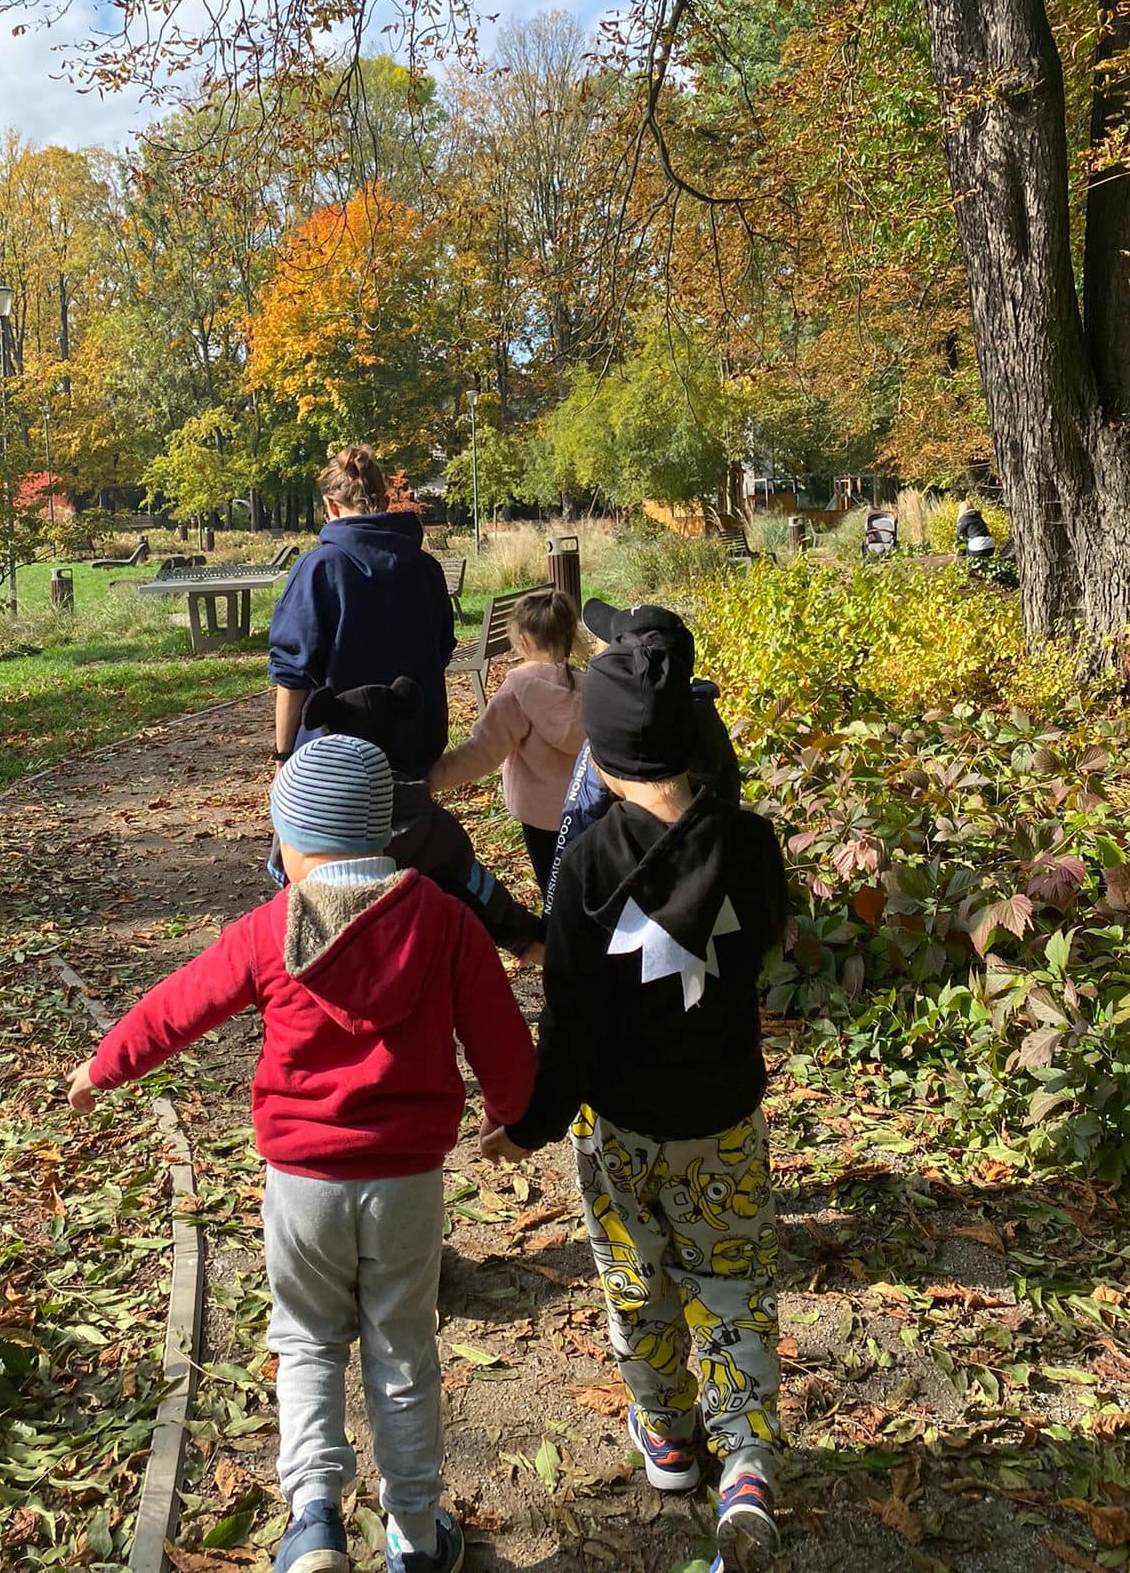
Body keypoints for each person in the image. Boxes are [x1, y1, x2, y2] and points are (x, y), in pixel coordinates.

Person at [66, 734, 535, 1573]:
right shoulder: (444, 921)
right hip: (406, 1184)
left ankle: (314, 1518)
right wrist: (511, 1117)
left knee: (309, 1341)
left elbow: (180, 1005)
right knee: (402, 1346)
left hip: (302, 1184)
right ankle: (414, 1531)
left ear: (291, 835)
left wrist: (105, 1064)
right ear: (384, 831)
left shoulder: (270, 930)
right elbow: (500, 1038)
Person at [483, 609, 788, 1572]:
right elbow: (766, 947)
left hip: (618, 1128)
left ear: (603, 762)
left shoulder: (586, 864)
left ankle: (667, 1436)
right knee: (731, 1281)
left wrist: (531, 1122)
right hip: (724, 1117)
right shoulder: (753, 845)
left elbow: (570, 1025)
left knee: (637, 1282)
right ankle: (747, 1464)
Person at [289, 676, 546, 958]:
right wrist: (526, 937)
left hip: (327, 964)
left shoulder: (303, 818)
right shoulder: (433, 825)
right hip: (417, 962)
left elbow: (283, 877)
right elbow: (476, 888)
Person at [269, 445, 456, 781]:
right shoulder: (426, 568)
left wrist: (283, 757)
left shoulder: (317, 569)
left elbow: (293, 674)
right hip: (413, 750)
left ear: (330, 505)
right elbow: (440, 652)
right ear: (385, 500)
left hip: (331, 758)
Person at [542, 598, 741, 911]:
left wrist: (554, 908)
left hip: (620, 898)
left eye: (615, 647)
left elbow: (578, 821)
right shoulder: (703, 720)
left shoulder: (609, 740)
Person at [428, 590, 586, 894]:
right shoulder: (590, 686)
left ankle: (555, 924)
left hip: (539, 815)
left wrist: (431, 778)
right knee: (584, 887)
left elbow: (482, 752)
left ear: (522, 642)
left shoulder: (518, 690)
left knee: (553, 889)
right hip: (587, 811)